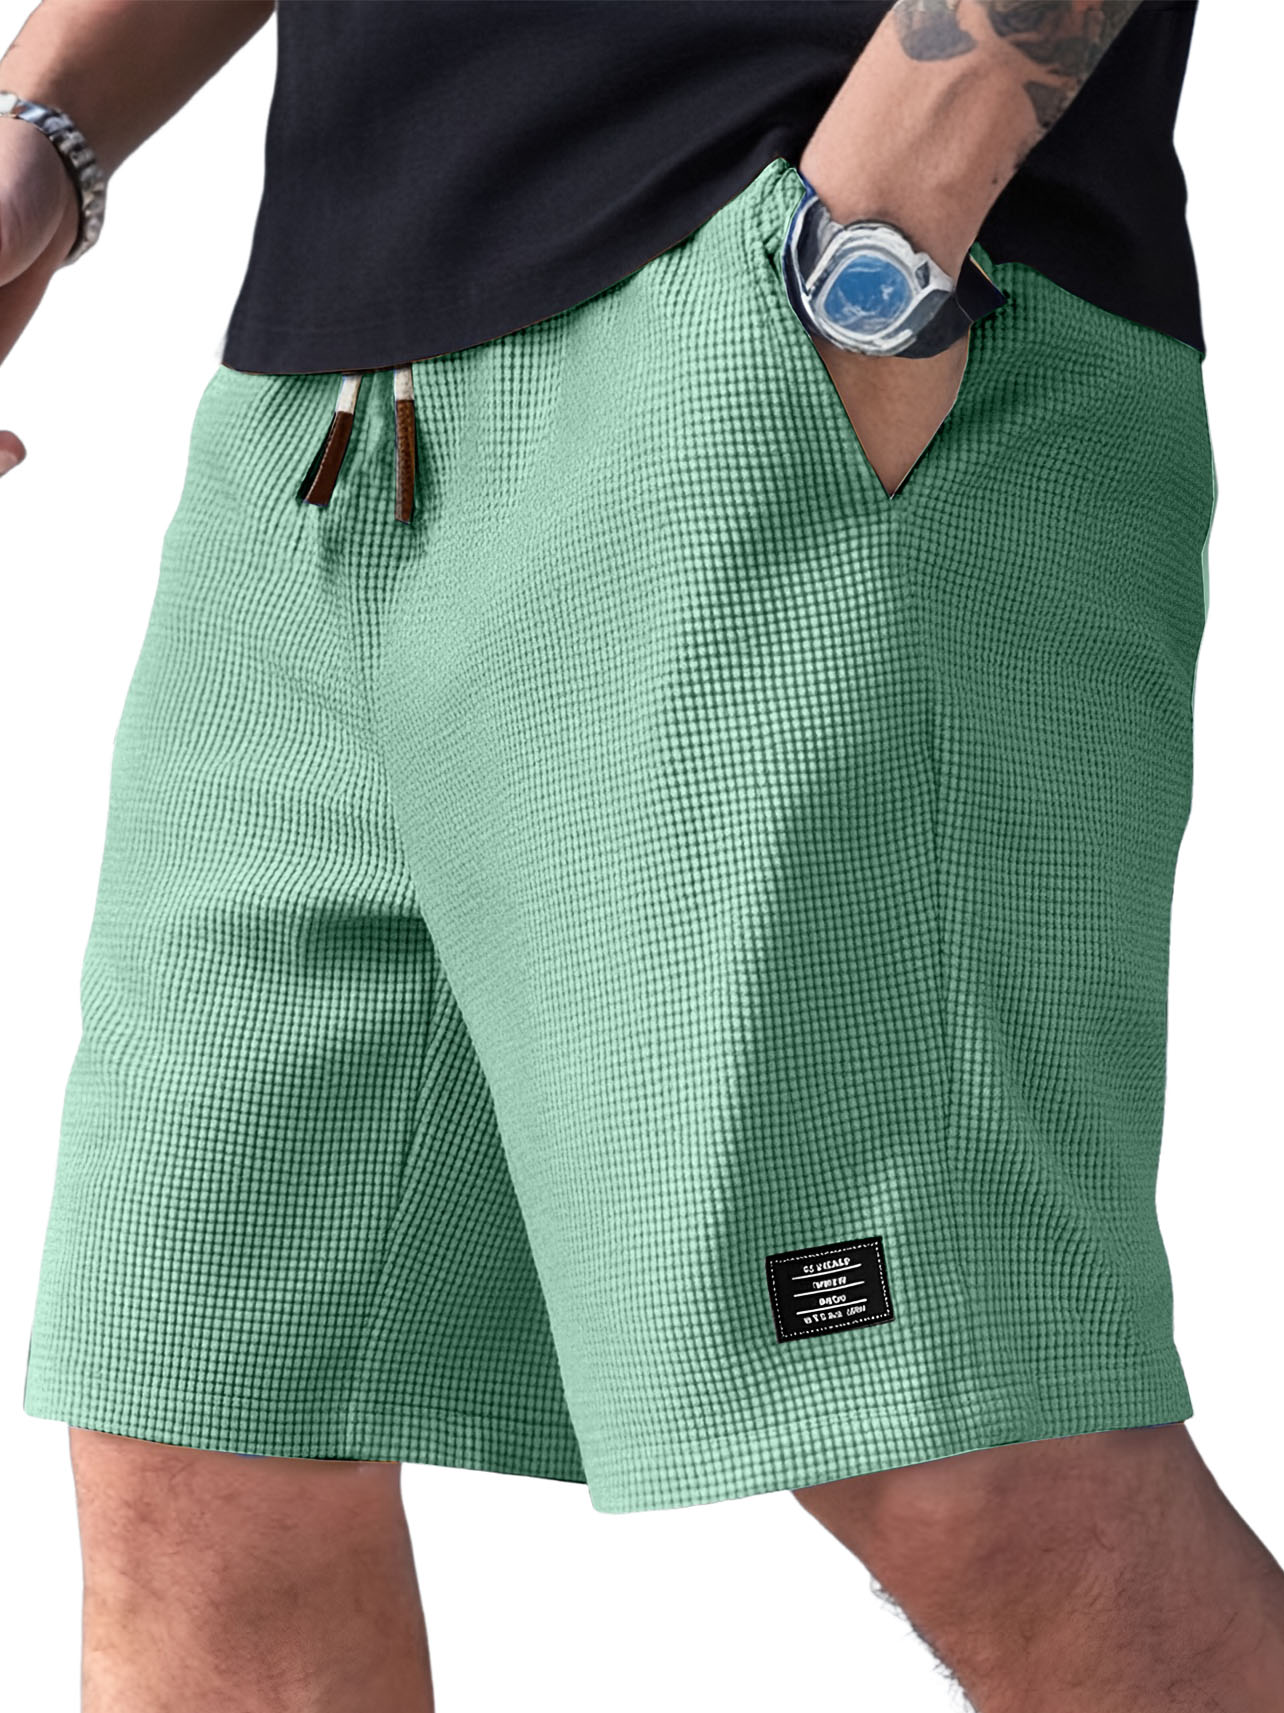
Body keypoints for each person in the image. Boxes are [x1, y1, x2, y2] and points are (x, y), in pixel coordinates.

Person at [4, 1, 1281, 1708]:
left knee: (958, 1446)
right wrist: (46, 125)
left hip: (798, 326)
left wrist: (882, 231)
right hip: (323, 423)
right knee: (202, 1437)